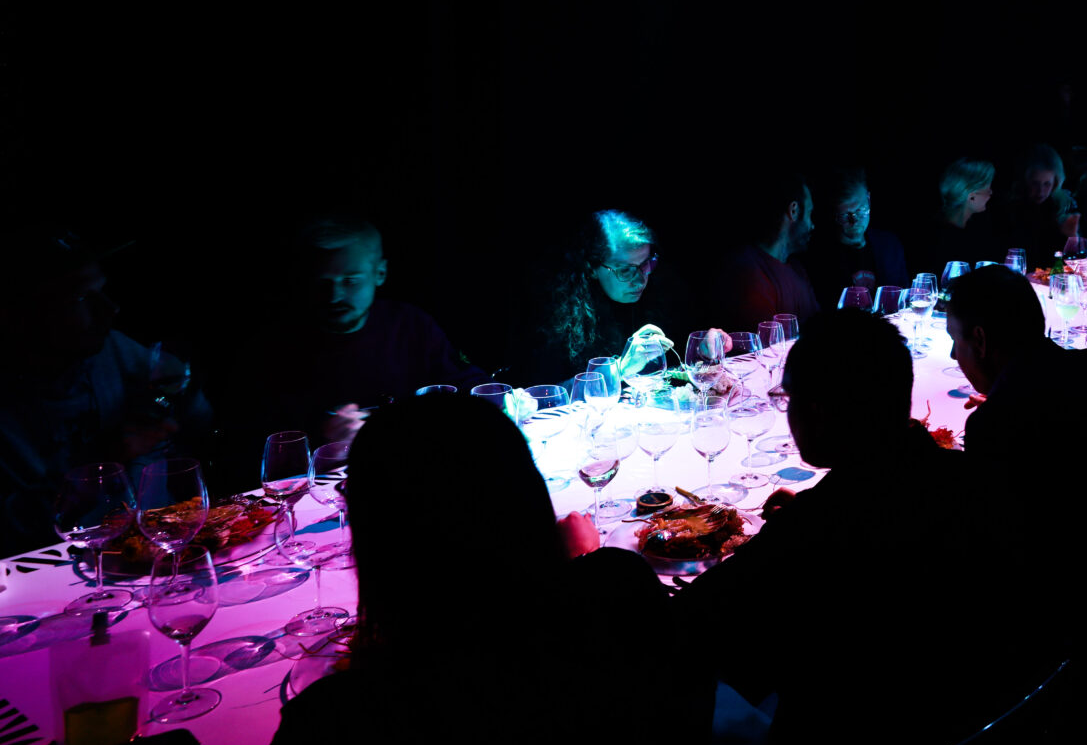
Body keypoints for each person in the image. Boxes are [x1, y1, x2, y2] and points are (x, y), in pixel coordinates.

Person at [247, 395, 707, 745]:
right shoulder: (618, 592)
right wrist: (581, 563)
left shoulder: (335, 729)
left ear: (375, 538)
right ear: (527, 491)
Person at [681, 310, 1060, 745]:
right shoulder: (981, 480)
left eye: (791, 399)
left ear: (817, 411)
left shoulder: (812, 534)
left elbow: (686, 633)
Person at [0, 228, 215, 556]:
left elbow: (193, 408)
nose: (111, 309)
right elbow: (20, 531)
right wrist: (102, 460)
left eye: (103, 292)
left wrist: (171, 403)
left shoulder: (107, 350)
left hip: (159, 548)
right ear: (22, 316)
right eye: (82, 298)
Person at [223, 216, 489, 460]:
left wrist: (499, 398)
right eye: (322, 283)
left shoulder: (409, 324)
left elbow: (465, 382)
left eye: (350, 281)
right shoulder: (273, 351)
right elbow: (247, 450)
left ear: (380, 274)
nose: (334, 297)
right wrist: (323, 440)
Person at [946, 264, 1087, 493]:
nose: (953, 354)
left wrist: (1001, 409)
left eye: (955, 339)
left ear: (980, 340)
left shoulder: (993, 428)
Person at [528, 209, 692, 388]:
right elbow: (541, 397)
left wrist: (703, 349)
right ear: (591, 268)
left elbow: (681, 360)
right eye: (625, 270)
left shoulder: (660, 289)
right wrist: (620, 368)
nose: (640, 280)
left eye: (645, 263)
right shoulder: (558, 317)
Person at [712, 172, 820, 329]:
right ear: (793, 211)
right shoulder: (747, 270)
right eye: (810, 214)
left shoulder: (798, 270)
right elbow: (767, 343)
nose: (812, 225)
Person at [803, 167, 909, 314]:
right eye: (845, 215)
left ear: (869, 199)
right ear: (833, 213)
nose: (855, 221)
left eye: (861, 211)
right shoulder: (819, 256)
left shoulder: (889, 246)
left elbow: (905, 301)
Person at [996, 144, 1080, 265]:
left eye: (1047, 184)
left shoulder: (1063, 205)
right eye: (1035, 183)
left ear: (1056, 182)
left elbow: (1072, 259)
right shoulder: (1009, 208)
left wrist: (1071, 237)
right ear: (1025, 180)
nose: (1040, 191)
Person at [918, 157, 997, 272]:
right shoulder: (938, 240)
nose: (991, 193)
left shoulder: (975, 229)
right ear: (972, 196)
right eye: (988, 187)